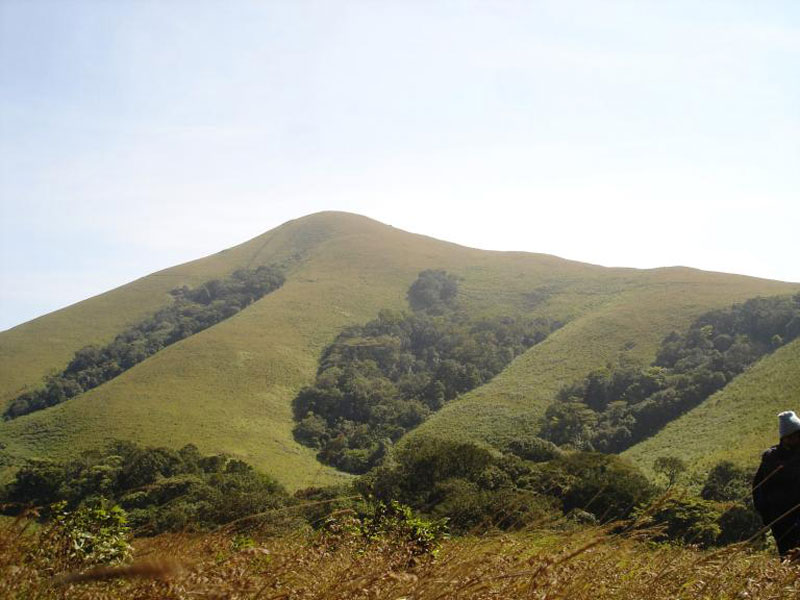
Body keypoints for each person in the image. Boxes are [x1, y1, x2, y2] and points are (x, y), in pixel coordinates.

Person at [753, 411, 800, 558]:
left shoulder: (771, 458)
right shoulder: (771, 459)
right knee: (789, 559)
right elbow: (758, 490)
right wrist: (769, 518)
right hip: (782, 521)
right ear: (786, 438)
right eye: (794, 435)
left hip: (785, 519)